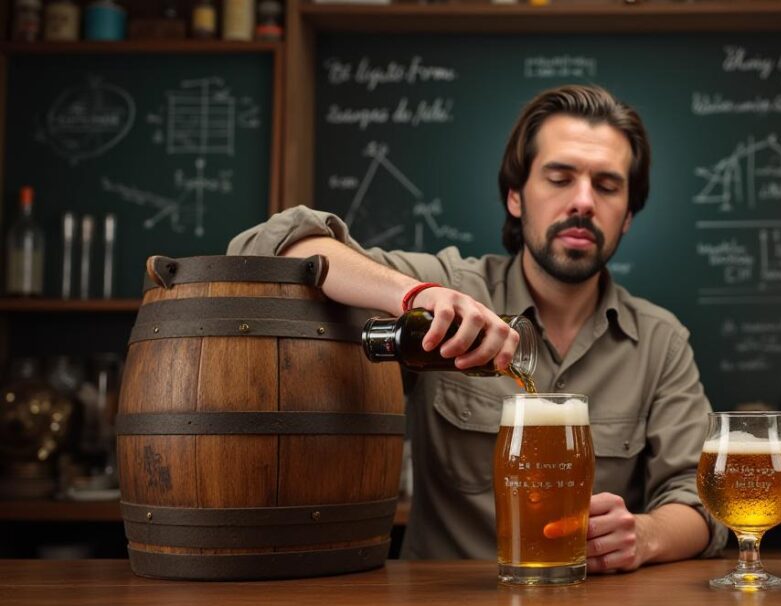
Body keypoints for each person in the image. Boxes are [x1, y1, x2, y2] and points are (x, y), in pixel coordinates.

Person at [229, 84, 726, 572]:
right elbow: (267, 245)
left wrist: (645, 536)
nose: (583, 201)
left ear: (629, 217)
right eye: (559, 177)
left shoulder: (661, 340)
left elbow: (704, 502)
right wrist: (413, 297)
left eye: (607, 185)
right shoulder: (450, 287)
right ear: (515, 197)